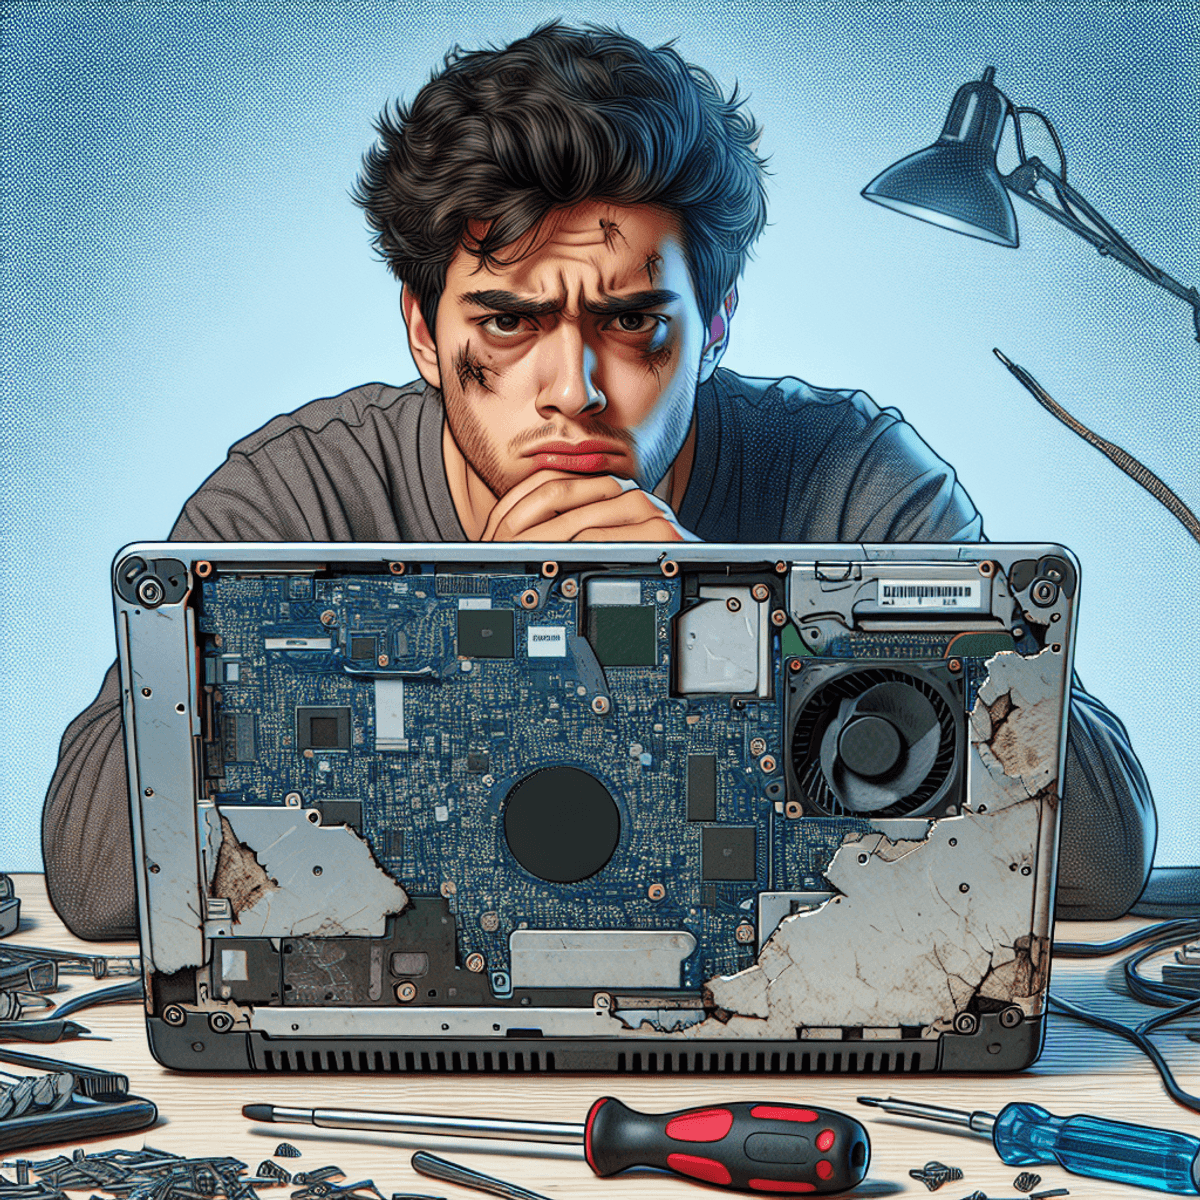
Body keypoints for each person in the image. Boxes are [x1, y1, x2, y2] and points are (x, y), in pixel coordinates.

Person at [42, 22, 1154, 940]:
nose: (570, 386)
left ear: (715, 326)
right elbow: (94, 880)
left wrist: (723, 610)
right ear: (425, 336)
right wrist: (460, 617)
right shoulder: (297, 497)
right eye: (508, 321)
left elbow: (1101, 861)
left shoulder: (851, 477)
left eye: (630, 321)